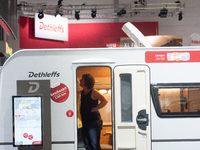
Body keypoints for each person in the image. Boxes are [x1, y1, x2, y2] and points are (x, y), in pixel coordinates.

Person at [80, 74, 108, 150]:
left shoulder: (93, 92)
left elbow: (104, 101)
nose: (80, 80)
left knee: (94, 145)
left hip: (93, 122)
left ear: (86, 82)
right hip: (85, 122)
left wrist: (95, 108)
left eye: (82, 79)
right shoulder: (82, 92)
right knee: (88, 145)